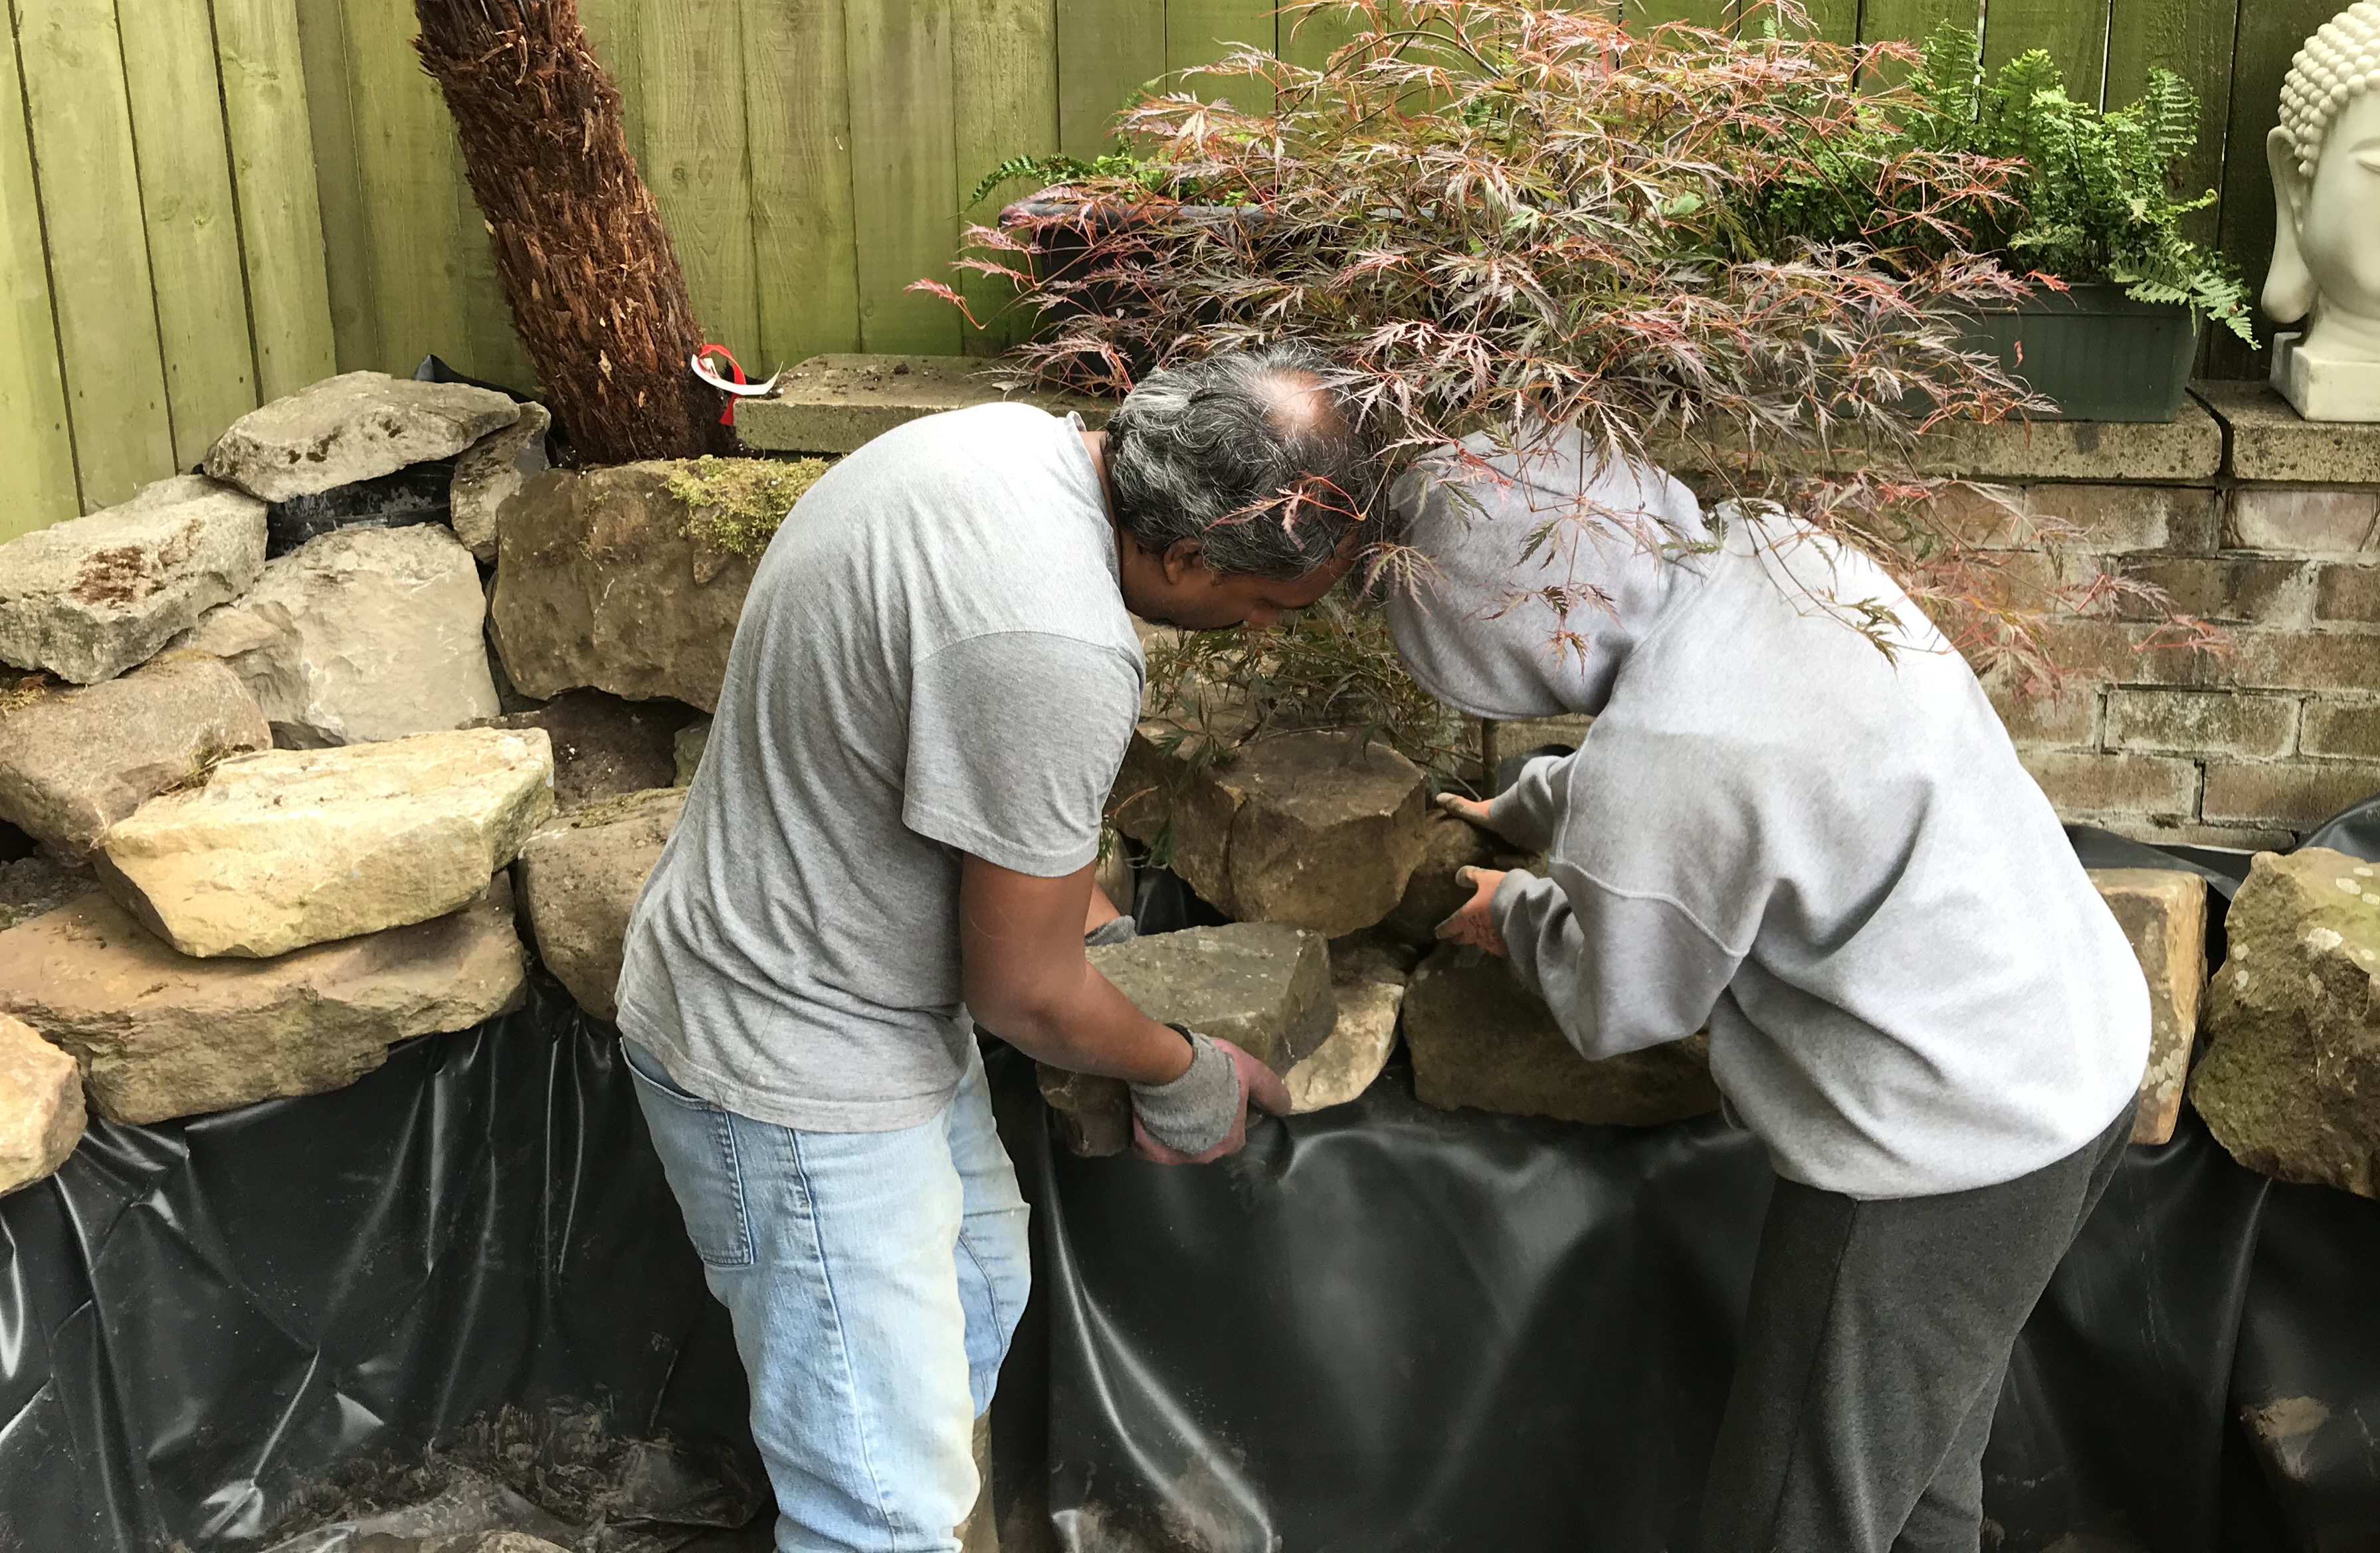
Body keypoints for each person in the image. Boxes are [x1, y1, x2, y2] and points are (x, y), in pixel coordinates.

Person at [614, 346, 1375, 1553]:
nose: (1261, 635)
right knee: (880, 1507)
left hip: (842, 991)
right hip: (796, 1063)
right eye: (1270, 605)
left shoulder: (1006, 451)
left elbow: (960, 796)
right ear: (1187, 556)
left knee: (981, 1288)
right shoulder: (1055, 642)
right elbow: (1023, 989)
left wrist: (1113, 946)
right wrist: (1187, 1073)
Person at [1386, 432, 2151, 1553]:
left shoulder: (1674, 754)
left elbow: (1625, 1001)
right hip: (2076, 1055)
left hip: (1938, 1157)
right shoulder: (1783, 557)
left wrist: (1514, 914)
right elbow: (1744, 771)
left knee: (1796, 1520)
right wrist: (1542, 802)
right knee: (1915, 1478)